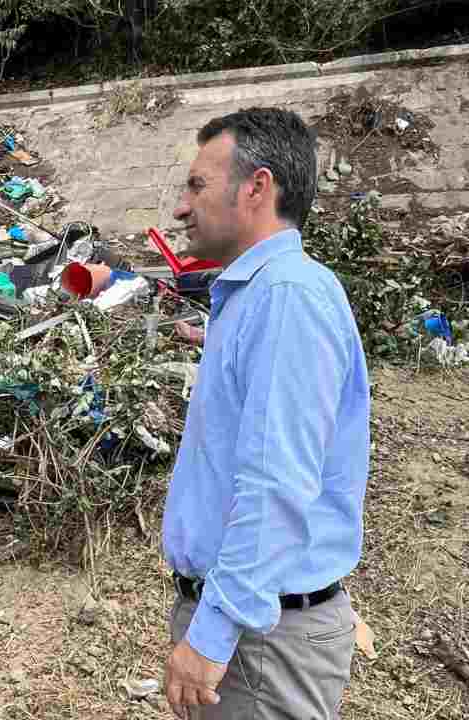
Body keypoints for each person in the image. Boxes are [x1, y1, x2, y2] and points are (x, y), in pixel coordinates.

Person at [160, 108, 371, 719]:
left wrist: (212, 633)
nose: (181, 207)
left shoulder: (286, 299)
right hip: (254, 624)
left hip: (261, 640)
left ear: (257, 187)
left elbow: (276, 485)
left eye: (197, 185)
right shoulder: (258, 298)